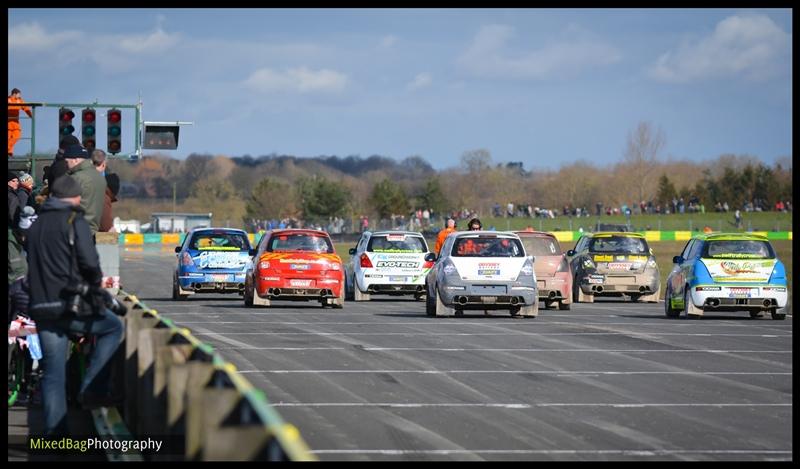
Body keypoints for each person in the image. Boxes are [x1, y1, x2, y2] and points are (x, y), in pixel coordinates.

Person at [26, 175, 124, 435]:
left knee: (52, 374)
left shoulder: (36, 226)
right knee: (112, 327)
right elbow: (90, 264)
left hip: (41, 307)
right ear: (75, 197)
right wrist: (95, 289)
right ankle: (92, 388)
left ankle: (55, 437)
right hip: (69, 305)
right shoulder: (74, 221)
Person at [64, 143, 106, 235]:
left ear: (75, 160)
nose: (65, 165)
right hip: (92, 230)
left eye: (67, 162)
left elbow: (65, 207)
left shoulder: (76, 178)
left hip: (75, 231)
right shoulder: (99, 177)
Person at [8, 88, 33, 157]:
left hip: (16, 122)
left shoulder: (20, 100)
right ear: (14, 94)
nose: (20, 96)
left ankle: (8, 149)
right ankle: (10, 151)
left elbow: (26, 108)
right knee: (9, 137)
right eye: (19, 94)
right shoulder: (8, 100)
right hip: (8, 122)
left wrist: (31, 115)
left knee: (17, 136)